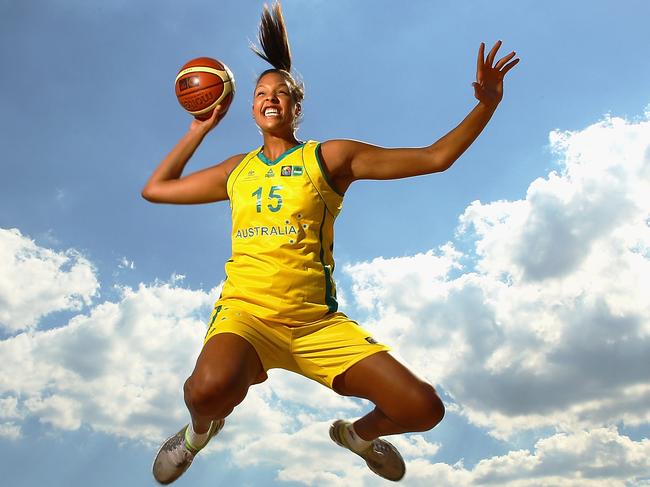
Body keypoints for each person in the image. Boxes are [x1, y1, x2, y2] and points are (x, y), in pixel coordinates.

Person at [143, 2, 518, 484]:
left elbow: (435, 157)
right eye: (261, 93)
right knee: (205, 391)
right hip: (248, 317)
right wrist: (199, 128)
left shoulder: (330, 157)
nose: (270, 98)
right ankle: (197, 435)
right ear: (252, 107)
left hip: (316, 325)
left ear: (297, 107)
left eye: (281, 93)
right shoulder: (237, 169)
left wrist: (486, 103)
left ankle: (357, 436)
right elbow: (156, 189)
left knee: (422, 408)